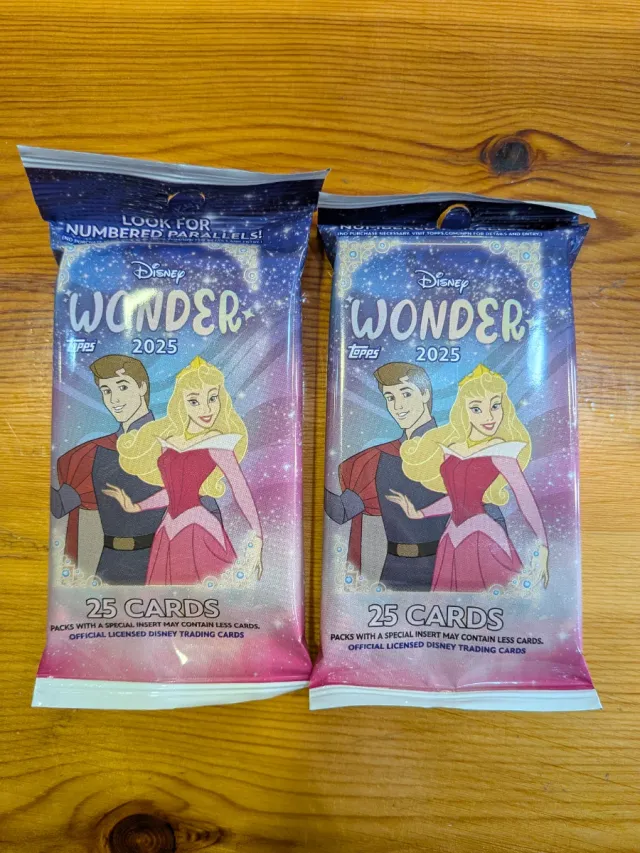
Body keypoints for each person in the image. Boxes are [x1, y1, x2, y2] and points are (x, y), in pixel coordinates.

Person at [325, 361, 506, 591]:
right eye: (390, 397)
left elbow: (491, 513)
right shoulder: (378, 458)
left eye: (406, 394)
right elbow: (341, 511)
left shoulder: (456, 451)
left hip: (449, 571)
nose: (398, 405)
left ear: (425, 394)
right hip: (393, 571)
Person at [51, 354, 212, 585]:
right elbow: (60, 506)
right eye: (106, 391)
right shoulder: (93, 452)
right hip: (111, 566)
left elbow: (206, 505)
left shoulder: (175, 443)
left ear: (142, 387)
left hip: (167, 564)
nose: (114, 399)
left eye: (122, 387)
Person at [388, 364, 549, 592]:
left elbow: (525, 499)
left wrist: (543, 545)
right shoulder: (451, 449)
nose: (488, 417)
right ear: (464, 410)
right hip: (450, 538)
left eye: (495, 406)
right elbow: (457, 500)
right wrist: (420, 513)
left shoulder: (501, 452)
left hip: (482, 538)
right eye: (476, 408)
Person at [104, 356, 262, 585]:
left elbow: (240, 489)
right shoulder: (169, 442)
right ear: (182, 403)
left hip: (198, 529)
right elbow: (172, 492)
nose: (206, 409)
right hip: (167, 530)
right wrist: (137, 506)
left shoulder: (218, 443)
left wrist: (258, 535)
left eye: (212, 398)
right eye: (194, 401)